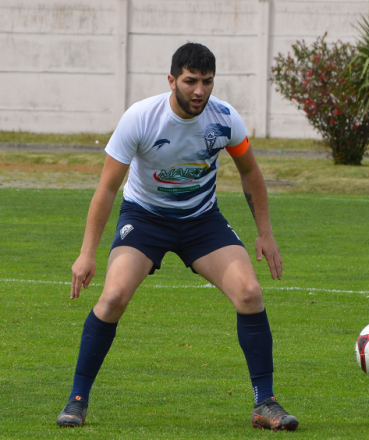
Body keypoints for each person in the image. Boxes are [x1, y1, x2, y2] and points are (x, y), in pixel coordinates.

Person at [56, 42, 298, 432]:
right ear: (172, 80)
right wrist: (87, 254)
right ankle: (77, 399)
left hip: (202, 221)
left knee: (250, 293)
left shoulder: (225, 119)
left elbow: (250, 172)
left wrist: (265, 234)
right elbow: (106, 189)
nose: (199, 91)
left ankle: (265, 403)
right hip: (145, 218)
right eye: (190, 81)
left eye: (207, 82)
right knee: (113, 297)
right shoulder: (141, 118)